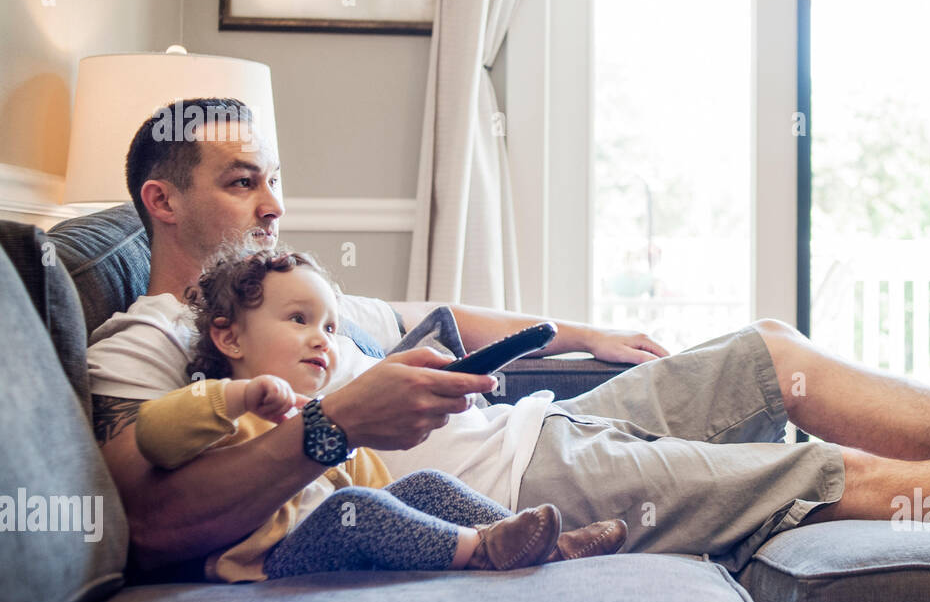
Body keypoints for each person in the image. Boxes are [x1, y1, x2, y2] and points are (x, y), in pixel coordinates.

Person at [89, 98, 930, 578]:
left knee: (769, 351)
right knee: (816, 471)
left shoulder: (302, 293)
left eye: (275, 180)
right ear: (162, 201)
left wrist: (587, 330)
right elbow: (149, 523)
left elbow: (436, 319)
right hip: (536, 477)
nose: (275, 205)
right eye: (244, 183)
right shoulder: (147, 336)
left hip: (539, 418)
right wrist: (334, 425)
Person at [130, 243, 627, 582]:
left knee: (424, 486)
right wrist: (237, 398)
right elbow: (154, 434)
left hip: (330, 544)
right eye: (298, 320)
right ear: (229, 336)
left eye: (328, 328)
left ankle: (531, 541)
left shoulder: (317, 411)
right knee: (358, 513)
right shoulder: (216, 402)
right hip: (264, 563)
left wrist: (353, 456)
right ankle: (482, 551)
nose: (319, 340)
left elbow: (374, 484)